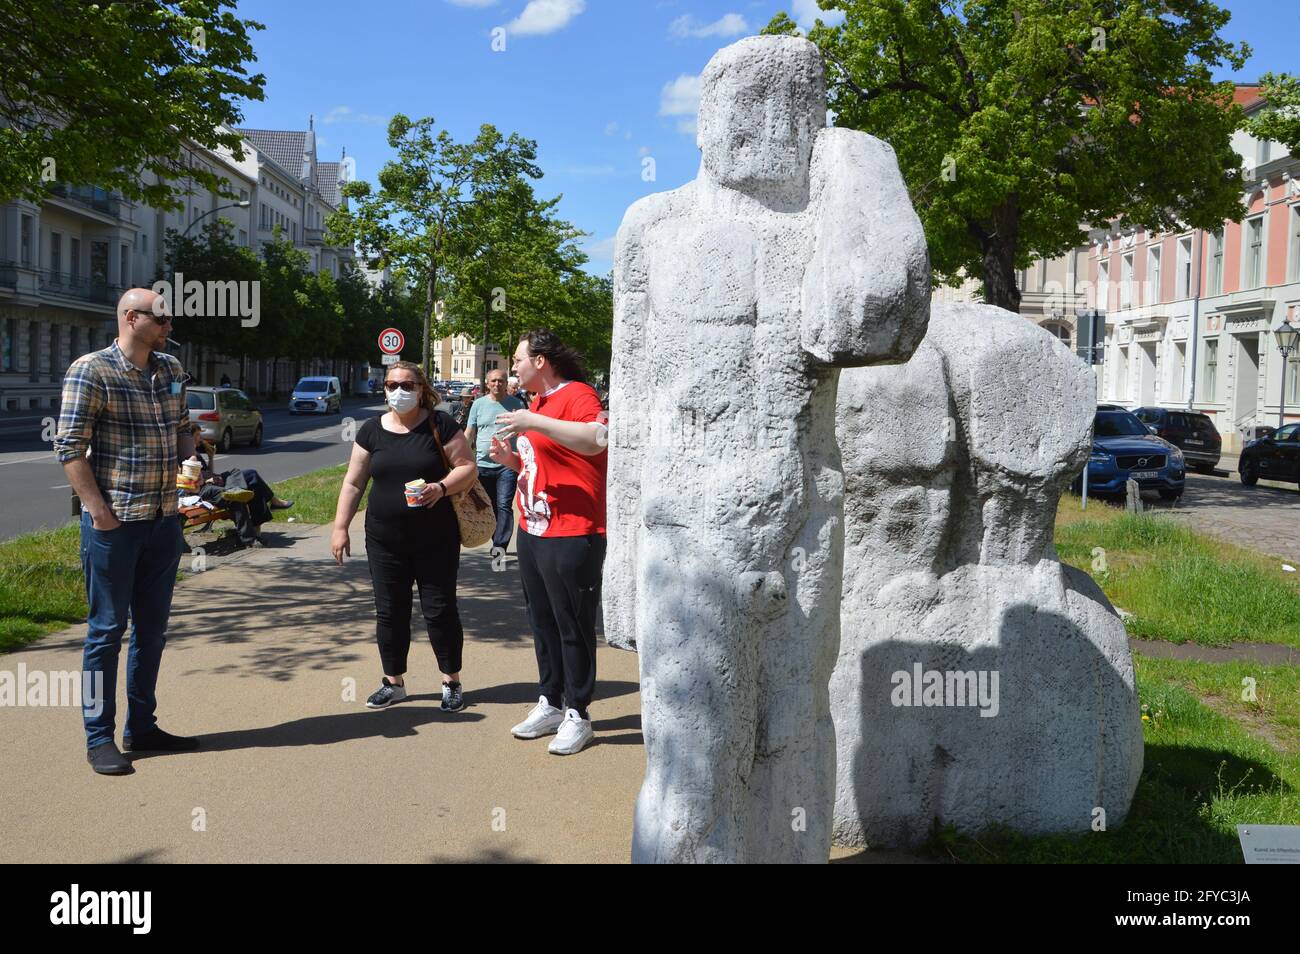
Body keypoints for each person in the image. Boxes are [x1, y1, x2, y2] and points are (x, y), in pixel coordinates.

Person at [55, 288, 198, 775]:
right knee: (105, 632)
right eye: (162, 317)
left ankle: (143, 726)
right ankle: (99, 737)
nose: (170, 324)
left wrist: (193, 457)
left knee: (152, 632)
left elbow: (181, 429)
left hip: (163, 520)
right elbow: (70, 448)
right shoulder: (91, 370)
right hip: (115, 525)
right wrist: (98, 512)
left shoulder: (172, 371)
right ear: (132, 318)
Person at [331, 361, 478, 712]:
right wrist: (340, 527)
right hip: (384, 539)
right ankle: (393, 682)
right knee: (390, 611)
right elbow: (354, 482)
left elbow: (467, 468)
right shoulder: (370, 430)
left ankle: (451, 681)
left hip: (435, 538)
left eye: (408, 385)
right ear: (384, 389)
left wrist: (440, 488)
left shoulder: (438, 423)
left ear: (421, 388)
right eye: (392, 384)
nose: (399, 391)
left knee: (439, 610)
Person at [490, 330, 608, 755]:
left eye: (518, 360)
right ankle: (551, 702)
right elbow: (551, 457)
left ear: (540, 361)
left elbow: (595, 440)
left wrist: (532, 422)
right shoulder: (536, 404)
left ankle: (579, 713)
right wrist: (513, 459)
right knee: (541, 621)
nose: (513, 368)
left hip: (575, 530)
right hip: (535, 529)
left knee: (572, 623)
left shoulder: (577, 394)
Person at [464, 369, 525, 554]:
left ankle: (500, 546)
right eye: (493, 381)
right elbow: (470, 432)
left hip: (507, 464)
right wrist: (462, 457)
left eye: (501, 381)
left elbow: (525, 432)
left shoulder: (516, 405)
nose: (497, 384)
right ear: (487, 383)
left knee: (504, 504)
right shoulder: (478, 404)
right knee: (489, 505)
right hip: (483, 464)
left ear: (506, 383)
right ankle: (495, 538)